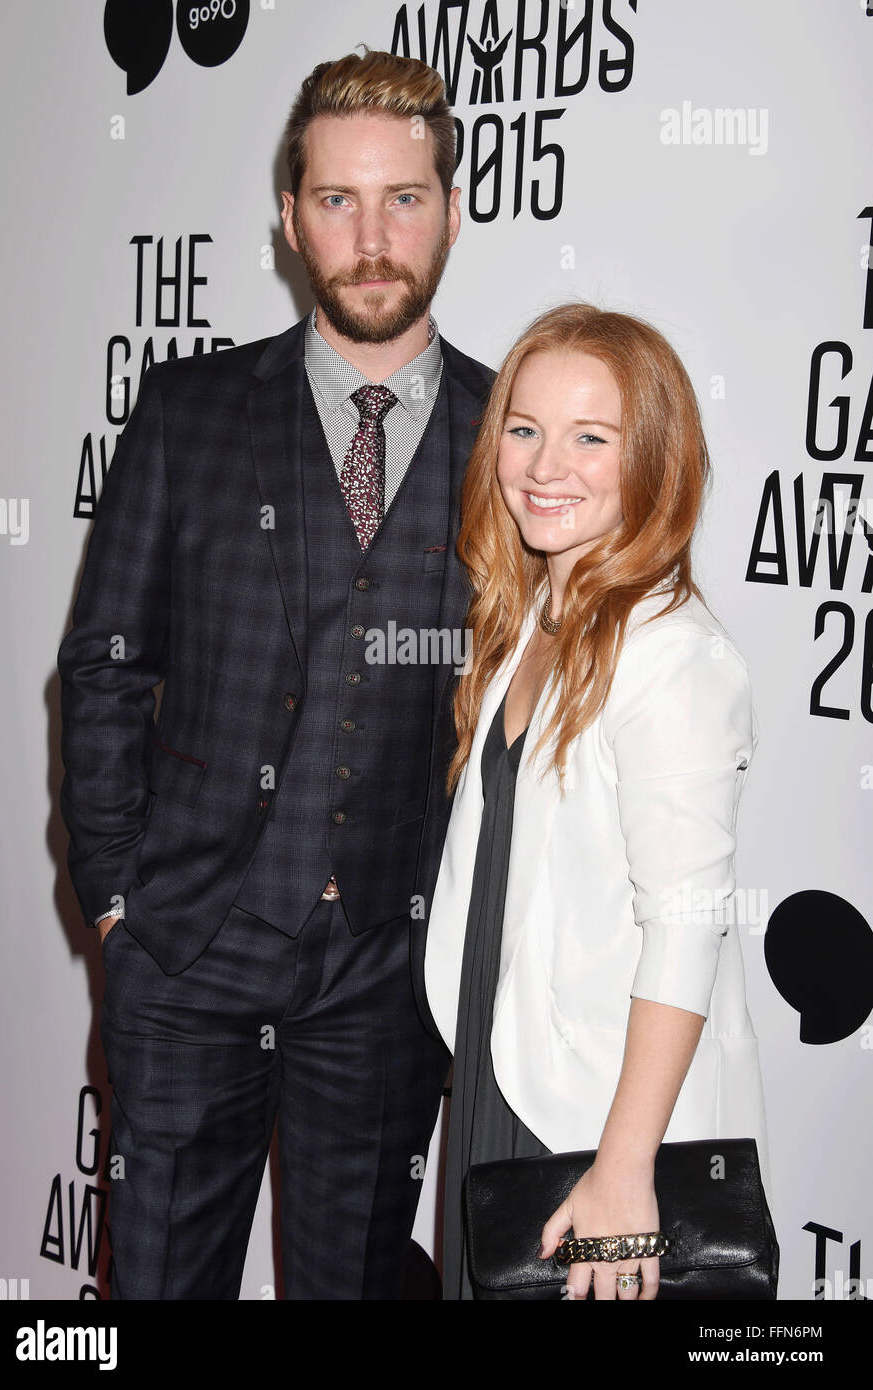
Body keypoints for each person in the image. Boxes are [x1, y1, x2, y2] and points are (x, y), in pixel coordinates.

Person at [57, 48, 495, 1300]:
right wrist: (118, 906)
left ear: (452, 211)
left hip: (385, 974)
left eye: (403, 197)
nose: (371, 236)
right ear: (291, 219)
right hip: (187, 952)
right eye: (337, 200)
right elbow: (102, 664)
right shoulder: (189, 411)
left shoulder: (508, 439)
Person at [423, 302, 773, 1300]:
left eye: (590, 437)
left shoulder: (671, 655)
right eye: (523, 430)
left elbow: (686, 926)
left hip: (593, 1115)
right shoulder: (536, 609)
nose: (544, 467)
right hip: (506, 1077)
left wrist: (624, 1168)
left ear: (652, 460)